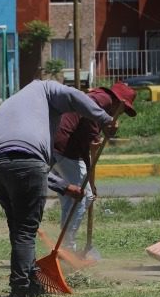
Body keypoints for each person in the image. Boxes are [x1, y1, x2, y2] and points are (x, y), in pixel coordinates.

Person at [0, 80, 116, 297]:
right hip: (24, 163)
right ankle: (20, 295)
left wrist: (63, 186)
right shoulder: (45, 89)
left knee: (18, 227)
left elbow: (21, 155)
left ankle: (31, 279)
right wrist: (105, 119)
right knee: (25, 230)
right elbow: (75, 97)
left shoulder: (14, 104)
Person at [52, 82, 138, 250]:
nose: (120, 113)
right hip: (64, 148)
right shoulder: (102, 102)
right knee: (84, 196)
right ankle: (66, 247)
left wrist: (90, 180)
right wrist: (103, 130)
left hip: (56, 146)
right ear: (119, 102)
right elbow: (90, 146)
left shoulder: (98, 99)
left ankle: (64, 243)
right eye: (123, 109)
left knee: (71, 197)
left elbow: (88, 145)